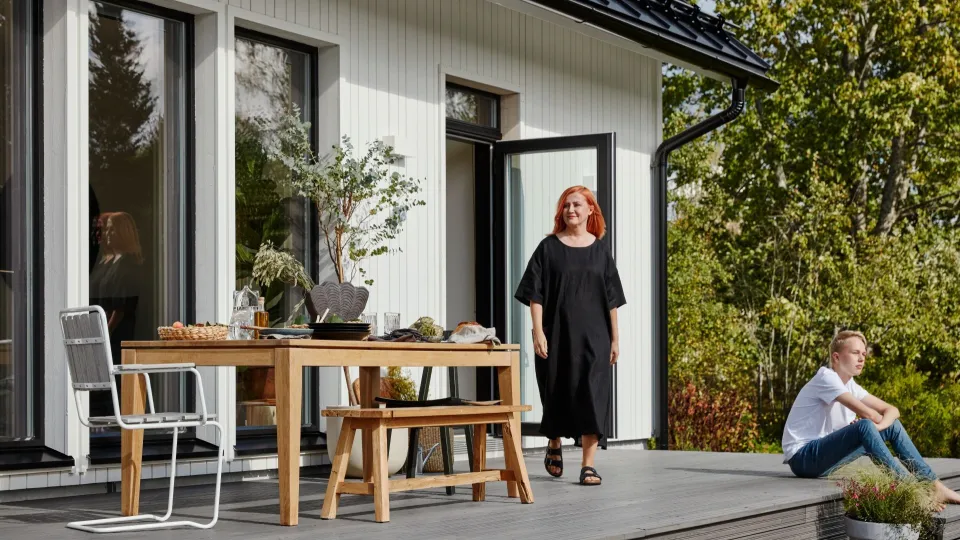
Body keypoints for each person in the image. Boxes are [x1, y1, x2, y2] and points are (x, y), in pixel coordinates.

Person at [514, 185, 626, 486]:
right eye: (566, 205)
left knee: (593, 395)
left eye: (577, 204)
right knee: (556, 393)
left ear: (591, 210)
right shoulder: (548, 248)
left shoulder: (601, 250)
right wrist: (537, 331)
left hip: (595, 338)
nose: (571, 210)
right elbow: (535, 295)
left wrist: (615, 339)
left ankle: (588, 465)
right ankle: (554, 441)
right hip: (557, 336)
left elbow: (612, 299)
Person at [782, 330, 960, 511]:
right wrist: (872, 426)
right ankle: (911, 491)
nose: (861, 358)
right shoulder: (826, 378)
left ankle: (935, 486)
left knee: (891, 426)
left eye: (864, 354)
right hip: (803, 458)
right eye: (855, 353)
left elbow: (892, 410)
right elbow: (869, 414)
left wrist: (881, 426)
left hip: (824, 460)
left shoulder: (851, 386)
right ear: (836, 357)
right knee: (865, 425)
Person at [89, 212, 143, 417]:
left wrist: (105, 331)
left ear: (123, 233)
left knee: (115, 385)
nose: (108, 234)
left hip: (116, 334)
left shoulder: (128, 264)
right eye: (106, 229)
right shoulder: (108, 261)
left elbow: (120, 307)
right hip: (104, 331)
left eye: (113, 229)